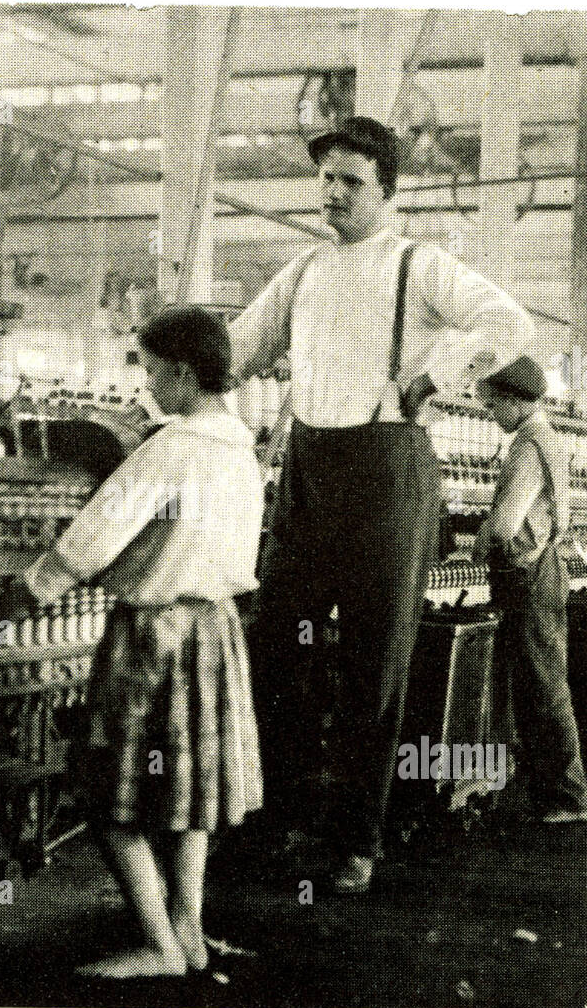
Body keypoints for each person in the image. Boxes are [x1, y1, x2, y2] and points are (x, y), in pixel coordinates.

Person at [229, 116, 536, 893]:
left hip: (387, 472)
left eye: (350, 181)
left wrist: (437, 375)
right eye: (325, 177)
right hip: (306, 471)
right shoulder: (301, 270)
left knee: (375, 663)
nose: (331, 192)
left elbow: (510, 323)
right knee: (277, 650)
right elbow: (234, 351)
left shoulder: (418, 265)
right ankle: (279, 818)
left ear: (388, 191)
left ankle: (356, 841)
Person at [0, 306, 265, 977]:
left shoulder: (172, 448)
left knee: (110, 797)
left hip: (154, 637)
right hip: (215, 629)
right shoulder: (240, 447)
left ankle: (157, 945)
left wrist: (28, 591)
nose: (147, 389)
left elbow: (96, 535)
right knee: (186, 797)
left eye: (149, 372)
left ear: (180, 371)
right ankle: (188, 931)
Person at [474, 355, 587, 823]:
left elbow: (506, 525)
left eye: (492, 403)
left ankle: (570, 797)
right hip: (542, 568)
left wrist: (473, 548)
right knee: (540, 681)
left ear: (512, 401)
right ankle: (553, 791)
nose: (489, 412)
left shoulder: (528, 444)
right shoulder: (548, 437)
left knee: (544, 684)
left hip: (528, 575)